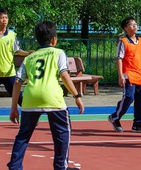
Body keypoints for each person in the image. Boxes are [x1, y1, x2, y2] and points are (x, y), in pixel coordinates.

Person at [7, 21, 85, 170]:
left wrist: (14, 108)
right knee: (62, 134)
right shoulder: (58, 53)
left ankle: (15, 166)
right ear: (54, 39)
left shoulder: (30, 57)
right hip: (52, 98)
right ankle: (60, 166)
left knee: (23, 135)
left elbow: (17, 82)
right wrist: (77, 96)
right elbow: (64, 75)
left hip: (30, 98)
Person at [108, 17, 141, 133]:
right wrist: (120, 75)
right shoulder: (123, 42)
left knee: (140, 99)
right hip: (129, 75)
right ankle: (115, 117)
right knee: (129, 97)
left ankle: (138, 123)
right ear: (125, 28)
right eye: (131, 25)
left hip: (140, 75)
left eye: (135, 24)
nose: (134, 26)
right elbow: (119, 59)